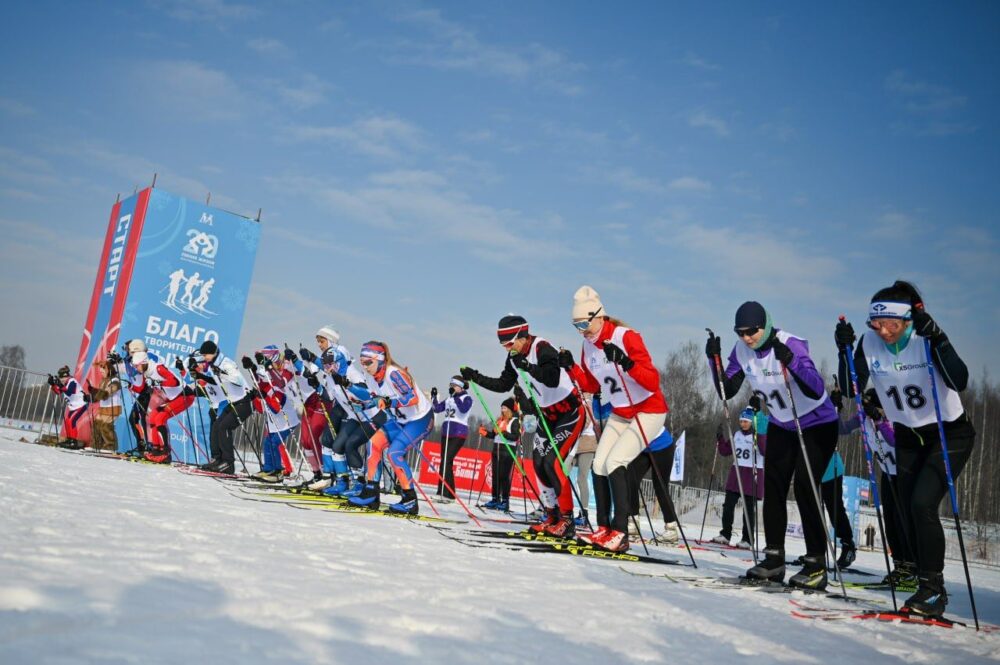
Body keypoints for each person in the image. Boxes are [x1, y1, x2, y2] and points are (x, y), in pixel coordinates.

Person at [836, 280, 974, 617]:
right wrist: (844, 351)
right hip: (908, 437)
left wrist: (940, 339)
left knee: (922, 504)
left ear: (908, 321)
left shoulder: (924, 337)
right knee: (906, 509)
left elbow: (959, 381)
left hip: (947, 434)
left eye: (891, 325)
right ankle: (916, 576)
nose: (883, 332)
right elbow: (852, 389)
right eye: (876, 324)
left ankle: (934, 590)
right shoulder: (869, 342)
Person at [707, 301, 839, 589]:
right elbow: (726, 391)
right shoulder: (741, 351)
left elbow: (816, 388)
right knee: (774, 486)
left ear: (765, 326)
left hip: (817, 423)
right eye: (740, 332)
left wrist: (790, 360)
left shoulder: (789, 343)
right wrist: (713, 361)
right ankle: (774, 559)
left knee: (805, 486)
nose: (746, 338)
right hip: (782, 423)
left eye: (752, 331)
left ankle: (816, 563)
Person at [563, 286, 669, 552]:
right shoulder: (588, 346)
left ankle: (621, 532)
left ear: (599, 316)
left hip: (649, 410)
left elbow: (652, 381)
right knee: (599, 464)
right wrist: (572, 367)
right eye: (576, 326)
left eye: (584, 324)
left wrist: (626, 363)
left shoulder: (626, 337)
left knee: (615, 461)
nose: (582, 331)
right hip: (621, 411)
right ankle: (604, 528)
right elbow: (592, 384)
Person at [460, 314, 584, 538]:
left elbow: (552, 378)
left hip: (570, 411)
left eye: (509, 344)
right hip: (547, 415)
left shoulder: (542, 348)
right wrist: (475, 377)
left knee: (552, 462)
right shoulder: (513, 357)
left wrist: (527, 367)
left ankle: (567, 520)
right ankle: (552, 515)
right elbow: (503, 385)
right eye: (503, 345)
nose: (507, 349)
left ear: (522, 336)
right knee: (538, 463)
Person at [840, 388, 917, 588]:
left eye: (873, 406)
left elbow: (895, 441)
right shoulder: (865, 418)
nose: (869, 411)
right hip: (888, 474)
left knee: (902, 521)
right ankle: (899, 566)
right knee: (890, 522)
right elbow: (843, 428)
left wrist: (879, 421)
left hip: (906, 475)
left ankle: (911, 568)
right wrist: (836, 408)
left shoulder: (895, 418)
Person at [349, 341, 434, 514]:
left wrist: (389, 402)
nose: (365, 367)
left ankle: (410, 500)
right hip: (401, 420)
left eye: (368, 362)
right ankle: (371, 493)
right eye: (362, 363)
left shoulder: (393, 373)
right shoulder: (373, 378)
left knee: (394, 453)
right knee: (373, 443)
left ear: (380, 359)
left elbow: (413, 398)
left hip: (420, 419)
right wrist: (363, 405)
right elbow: (376, 399)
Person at [189, 340, 252, 475]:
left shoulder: (227, 363)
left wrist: (222, 373)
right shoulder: (215, 365)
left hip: (244, 402)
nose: (204, 358)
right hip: (233, 402)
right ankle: (218, 459)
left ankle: (228, 463)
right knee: (217, 426)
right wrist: (200, 376)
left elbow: (238, 381)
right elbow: (216, 382)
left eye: (205, 355)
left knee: (224, 427)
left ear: (213, 353)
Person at [128, 351, 197, 464]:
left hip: (185, 396)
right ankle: (156, 450)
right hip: (173, 398)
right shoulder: (146, 372)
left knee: (160, 418)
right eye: (134, 366)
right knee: (152, 416)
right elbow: (142, 389)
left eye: (137, 366)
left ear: (144, 362)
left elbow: (174, 382)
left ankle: (165, 453)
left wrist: (157, 382)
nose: (136, 368)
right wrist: (131, 386)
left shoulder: (158, 368)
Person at [712, 407, 766, 549]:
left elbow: (764, 450)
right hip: (736, 473)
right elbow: (725, 451)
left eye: (746, 421)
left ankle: (747, 539)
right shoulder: (736, 434)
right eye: (741, 421)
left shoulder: (757, 435)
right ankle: (725, 534)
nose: (743, 424)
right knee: (728, 506)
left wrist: (760, 435)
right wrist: (720, 438)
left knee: (748, 510)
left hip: (752, 474)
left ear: (751, 422)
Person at [243, 349, 298, 482]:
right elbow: (259, 384)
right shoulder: (268, 381)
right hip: (276, 422)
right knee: (268, 442)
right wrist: (252, 368)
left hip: (287, 421)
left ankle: (278, 472)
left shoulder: (279, 384)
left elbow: (276, 408)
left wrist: (263, 396)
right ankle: (268, 469)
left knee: (274, 443)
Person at [626, 426, 679, 545]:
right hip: (644, 448)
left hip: (662, 446)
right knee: (630, 480)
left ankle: (671, 529)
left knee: (660, 486)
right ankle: (633, 523)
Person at [431, 376, 474, 500]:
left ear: (461, 387)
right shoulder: (449, 398)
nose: (452, 388)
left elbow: (463, 409)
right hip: (446, 432)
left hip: (458, 433)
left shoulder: (467, 398)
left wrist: (456, 398)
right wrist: (434, 397)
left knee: (447, 460)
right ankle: (446, 492)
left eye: (454, 386)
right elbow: (437, 409)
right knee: (444, 461)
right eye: (451, 386)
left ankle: (446, 493)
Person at [479, 396, 522, 511]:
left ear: (510, 409)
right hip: (496, 449)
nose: (502, 410)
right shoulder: (500, 420)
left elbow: (516, 437)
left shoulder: (514, 421)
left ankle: (505, 501)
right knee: (496, 476)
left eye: (504, 408)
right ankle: (495, 499)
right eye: (502, 408)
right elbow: (494, 435)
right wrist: (485, 433)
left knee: (504, 476)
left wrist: (504, 433)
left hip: (507, 451)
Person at [571, 398, 601, 526]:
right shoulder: (575, 398)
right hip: (574, 443)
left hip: (588, 444)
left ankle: (584, 514)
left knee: (581, 478)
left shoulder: (588, 400)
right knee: (561, 472)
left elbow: (585, 421)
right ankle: (561, 509)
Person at [86, 359, 123, 452]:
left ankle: (110, 446)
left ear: (109, 370)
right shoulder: (103, 381)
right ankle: (96, 445)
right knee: (97, 425)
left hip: (113, 409)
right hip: (104, 409)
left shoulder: (115, 381)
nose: (101, 372)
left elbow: (105, 394)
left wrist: (93, 391)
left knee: (105, 426)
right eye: (101, 371)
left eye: (103, 370)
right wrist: (89, 397)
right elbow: (99, 396)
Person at [48, 365, 87, 449]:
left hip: (81, 405)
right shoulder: (65, 383)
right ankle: (69, 439)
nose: (61, 380)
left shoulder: (72, 381)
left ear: (66, 376)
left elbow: (69, 392)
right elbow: (58, 392)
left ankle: (73, 441)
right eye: (60, 378)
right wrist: (53, 385)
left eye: (62, 378)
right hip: (74, 407)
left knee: (72, 420)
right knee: (67, 421)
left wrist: (60, 385)